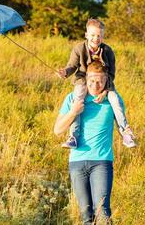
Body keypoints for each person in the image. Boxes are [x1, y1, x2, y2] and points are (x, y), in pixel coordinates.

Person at [54, 61, 122, 224]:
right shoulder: (72, 98)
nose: (95, 85)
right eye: (91, 80)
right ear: (85, 78)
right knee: (86, 216)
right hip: (76, 162)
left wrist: (129, 134)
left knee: (102, 212)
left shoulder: (112, 100)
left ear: (106, 80)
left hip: (101, 162)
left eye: (100, 81)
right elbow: (57, 130)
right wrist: (73, 111)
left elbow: (122, 124)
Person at [56, 18, 136, 149]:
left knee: (115, 100)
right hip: (83, 80)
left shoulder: (108, 51)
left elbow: (111, 74)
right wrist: (65, 72)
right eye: (92, 35)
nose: (96, 38)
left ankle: (126, 133)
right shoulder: (78, 49)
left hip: (105, 84)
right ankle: (73, 137)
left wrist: (105, 91)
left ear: (103, 36)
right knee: (78, 101)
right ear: (86, 35)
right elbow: (72, 66)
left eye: (99, 35)